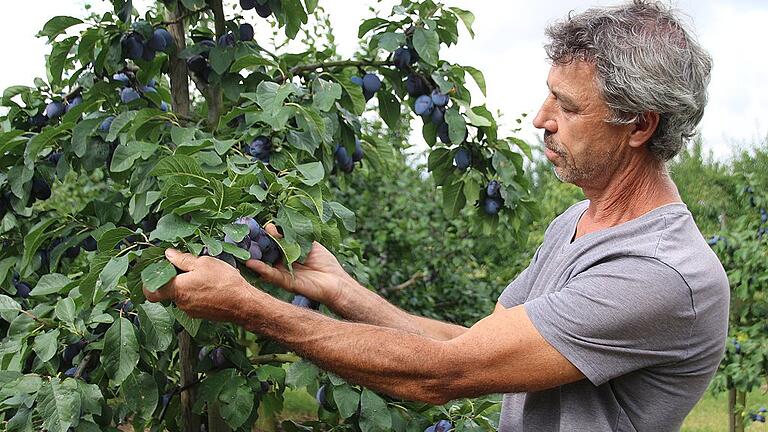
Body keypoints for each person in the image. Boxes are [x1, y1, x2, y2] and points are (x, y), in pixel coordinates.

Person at [145, 1, 729, 430]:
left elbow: (440, 375)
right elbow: (472, 344)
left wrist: (248, 307)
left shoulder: (659, 274)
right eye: (549, 94)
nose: (540, 118)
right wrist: (343, 291)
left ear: (641, 124)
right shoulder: (577, 223)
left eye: (569, 107)